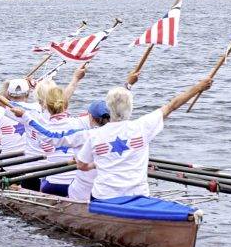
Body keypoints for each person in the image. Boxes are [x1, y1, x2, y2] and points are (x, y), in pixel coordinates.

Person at [75, 77, 213, 201]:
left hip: (104, 197)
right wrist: (198, 87)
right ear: (130, 107)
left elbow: (81, 166)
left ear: (109, 109)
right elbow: (172, 105)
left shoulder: (94, 135)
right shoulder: (142, 126)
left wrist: (96, 164)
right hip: (138, 195)